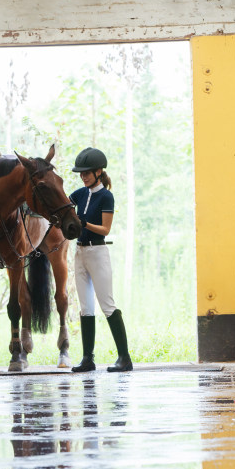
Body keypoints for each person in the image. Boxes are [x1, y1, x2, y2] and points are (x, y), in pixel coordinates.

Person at [69, 147, 133, 373]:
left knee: (107, 304)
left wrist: (83, 224)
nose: (83, 176)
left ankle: (124, 357)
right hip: (79, 252)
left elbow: (105, 229)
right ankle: (88, 358)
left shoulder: (106, 196)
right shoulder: (79, 194)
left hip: (98, 252)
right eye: (81, 173)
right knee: (86, 307)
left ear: (98, 172)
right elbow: (64, 207)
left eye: (87, 173)